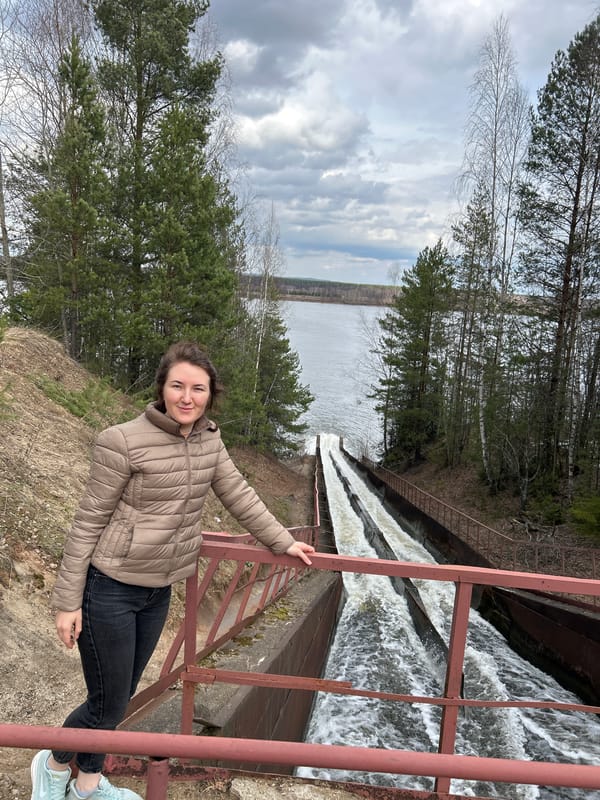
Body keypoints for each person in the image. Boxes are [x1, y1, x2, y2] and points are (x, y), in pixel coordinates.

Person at [30, 340, 315, 800]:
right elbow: (87, 524)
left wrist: (282, 541)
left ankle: (85, 782)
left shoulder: (209, 439)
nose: (187, 397)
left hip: (158, 590)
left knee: (116, 700)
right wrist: (66, 603)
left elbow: (238, 494)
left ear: (210, 394)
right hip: (110, 588)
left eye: (198, 388)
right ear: (162, 388)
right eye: (177, 386)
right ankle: (54, 764)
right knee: (106, 701)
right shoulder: (121, 440)